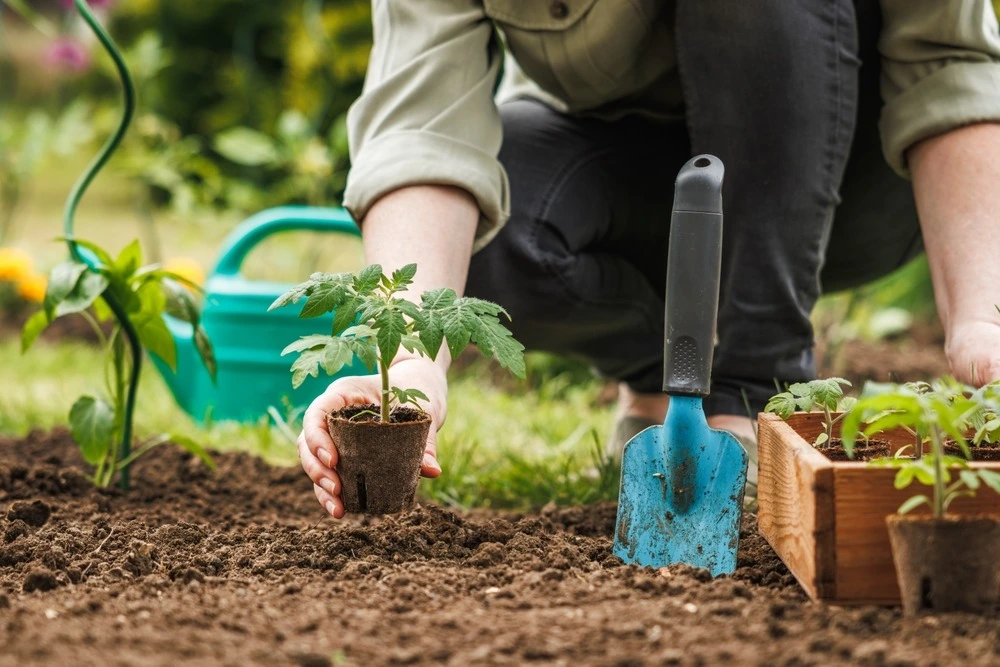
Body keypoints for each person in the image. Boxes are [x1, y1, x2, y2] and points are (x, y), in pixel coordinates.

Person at [298, 0, 1000, 519]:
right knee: (502, 228)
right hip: (628, 171)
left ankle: (754, 390)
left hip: (847, 180)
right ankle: (669, 380)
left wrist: (982, 319)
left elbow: (949, 62)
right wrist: (416, 366)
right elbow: (424, 126)